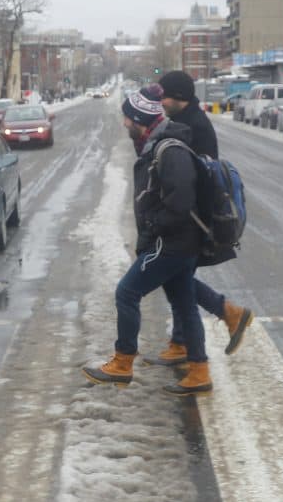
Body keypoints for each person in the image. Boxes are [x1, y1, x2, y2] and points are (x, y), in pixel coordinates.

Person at [82, 87, 212, 395]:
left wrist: (154, 225)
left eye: (128, 118)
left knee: (127, 292)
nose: (125, 124)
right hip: (180, 242)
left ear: (140, 119)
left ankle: (123, 363)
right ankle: (199, 371)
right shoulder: (157, 145)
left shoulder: (170, 150)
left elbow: (180, 201)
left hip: (171, 242)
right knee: (185, 303)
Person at [149, 70, 254, 366]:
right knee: (178, 279)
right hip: (192, 216)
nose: (162, 101)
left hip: (193, 219)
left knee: (177, 279)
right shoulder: (187, 120)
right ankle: (186, 339)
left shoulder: (191, 126)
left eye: (165, 96)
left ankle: (224, 316)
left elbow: (190, 178)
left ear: (179, 97)